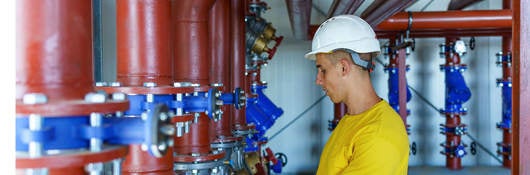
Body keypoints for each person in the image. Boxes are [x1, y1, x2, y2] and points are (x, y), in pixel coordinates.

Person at [304, 15, 409, 174]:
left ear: (343, 68)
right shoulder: (352, 120)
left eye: (323, 70)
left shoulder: (377, 136)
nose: (318, 80)